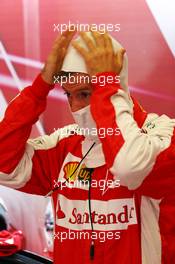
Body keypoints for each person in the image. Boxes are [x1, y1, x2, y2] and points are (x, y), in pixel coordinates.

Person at [0, 27, 175, 264]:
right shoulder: (64, 145)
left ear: (116, 86)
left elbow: (129, 166)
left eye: (84, 94)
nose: (75, 108)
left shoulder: (164, 135)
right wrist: (40, 87)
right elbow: (4, 164)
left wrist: (105, 85)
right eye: (68, 95)